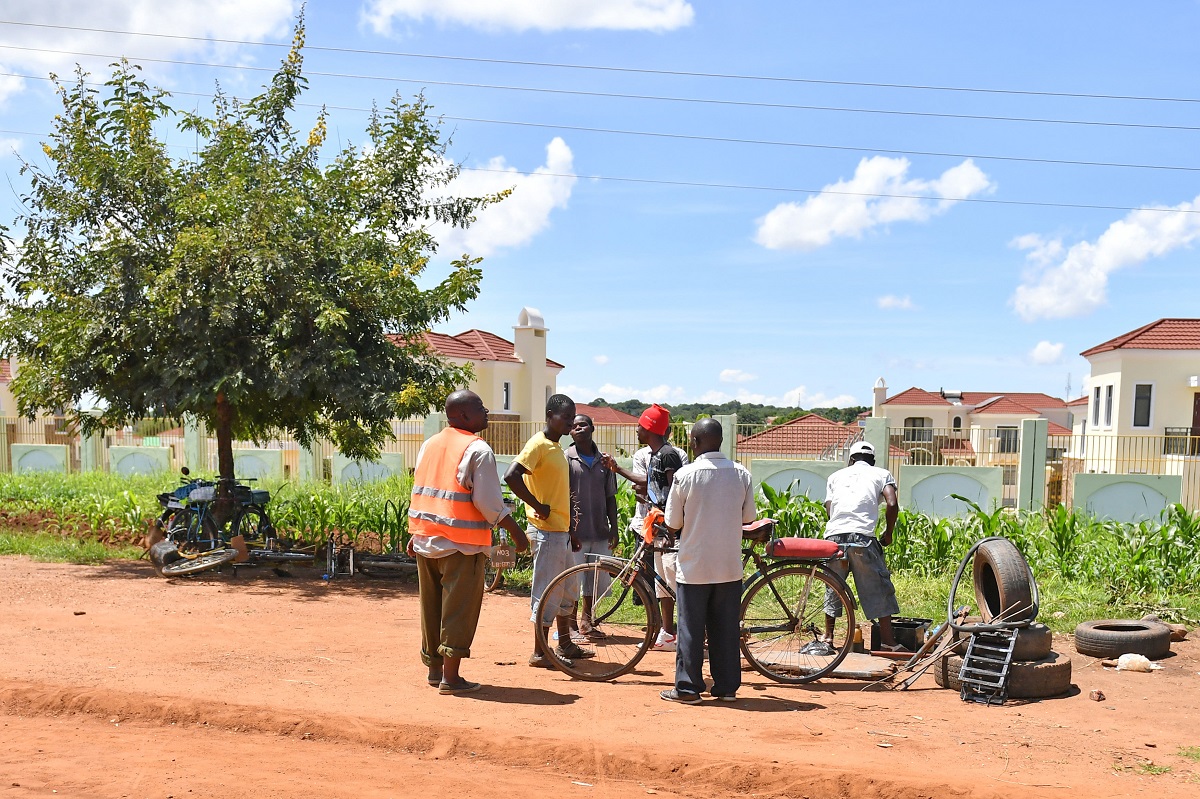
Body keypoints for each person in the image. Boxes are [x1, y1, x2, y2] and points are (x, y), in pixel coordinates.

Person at [408, 390, 530, 695]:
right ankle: (452, 678)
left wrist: (415, 535)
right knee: (458, 610)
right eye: (480, 408)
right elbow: (489, 503)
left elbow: (422, 490)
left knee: (431, 608)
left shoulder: (429, 445)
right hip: (461, 546)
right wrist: (517, 534)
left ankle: (435, 671)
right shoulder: (477, 450)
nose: (487, 411)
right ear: (463, 416)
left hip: (426, 541)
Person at [659, 418, 756, 704]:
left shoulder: (685, 475)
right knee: (725, 628)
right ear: (721, 441)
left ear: (695, 442)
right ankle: (726, 688)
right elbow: (748, 517)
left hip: (694, 566)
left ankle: (688, 689)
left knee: (690, 627)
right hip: (728, 565)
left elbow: (673, 521)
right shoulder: (741, 473)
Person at [504, 394, 595, 669]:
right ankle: (540, 653)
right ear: (549, 415)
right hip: (546, 533)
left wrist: (570, 531)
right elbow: (511, 475)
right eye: (565, 417)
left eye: (572, 417)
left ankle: (565, 644)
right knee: (546, 592)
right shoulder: (539, 444)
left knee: (568, 592)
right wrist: (537, 506)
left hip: (561, 533)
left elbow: (558, 493)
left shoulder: (556, 447)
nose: (569, 422)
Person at [603, 403, 686, 651]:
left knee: (674, 582)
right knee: (663, 582)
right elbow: (653, 485)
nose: (636, 430)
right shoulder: (655, 455)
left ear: (649, 428)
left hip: (668, 531)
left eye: (639, 426)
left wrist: (670, 526)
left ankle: (685, 636)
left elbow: (674, 493)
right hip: (657, 528)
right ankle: (668, 634)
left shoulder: (669, 455)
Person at [822, 440, 903, 651]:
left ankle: (828, 638)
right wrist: (888, 533)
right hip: (863, 538)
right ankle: (888, 642)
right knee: (878, 586)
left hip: (834, 539)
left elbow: (830, 509)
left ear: (851, 460)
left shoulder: (835, 477)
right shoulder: (882, 474)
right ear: (873, 460)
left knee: (833, 587)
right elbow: (892, 503)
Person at [565, 414, 619, 638]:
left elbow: (611, 497)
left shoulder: (604, 461)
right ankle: (569, 626)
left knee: (594, 580)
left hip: (599, 530)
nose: (578, 428)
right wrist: (568, 528)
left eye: (583, 424)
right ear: (570, 432)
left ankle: (587, 622)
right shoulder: (566, 458)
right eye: (574, 426)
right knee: (572, 580)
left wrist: (614, 528)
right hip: (575, 532)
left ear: (592, 428)